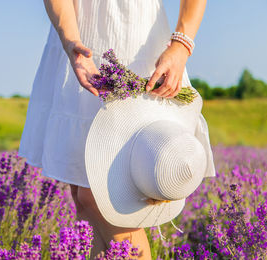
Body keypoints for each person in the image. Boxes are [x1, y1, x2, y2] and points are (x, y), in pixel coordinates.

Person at [18, 0, 207, 258]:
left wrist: (182, 45)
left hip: (131, 38)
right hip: (78, 41)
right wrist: (70, 41)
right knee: (83, 197)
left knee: (103, 198)